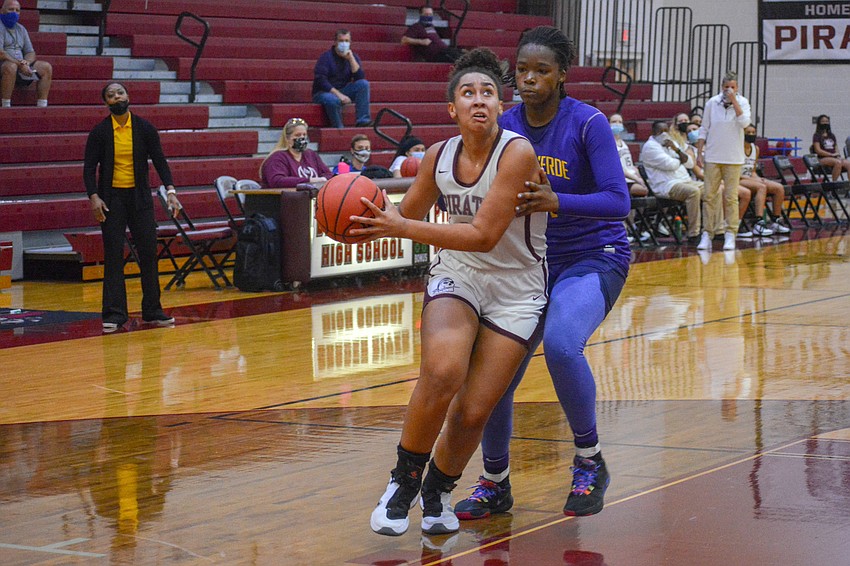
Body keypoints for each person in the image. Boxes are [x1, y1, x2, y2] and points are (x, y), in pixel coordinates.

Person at [357, 48, 547, 537]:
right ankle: (402, 484)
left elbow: (483, 234)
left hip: (517, 287)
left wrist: (400, 226)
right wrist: (368, 220)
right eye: (468, 93)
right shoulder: (438, 156)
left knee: (473, 411)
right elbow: (408, 213)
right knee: (442, 371)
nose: (479, 101)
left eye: (488, 93)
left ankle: (438, 490)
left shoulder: (518, 152)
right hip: (458, 274)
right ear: (452, 108)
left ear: (501, 106)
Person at [451, 26, 631, 522]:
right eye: (522, 71)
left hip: (594, 255)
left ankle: (590, 461)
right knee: (494, 374)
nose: (529, 80)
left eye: (541, 71)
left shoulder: (588, 123)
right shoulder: (503, 126)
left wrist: (558, 200)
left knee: (561, 343)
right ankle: (494, 483)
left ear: (562, 76)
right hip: (530, 264)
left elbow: (620, 201)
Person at [83, 82, 180, 332]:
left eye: (120, 93)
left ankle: (152, 309)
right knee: (114, 256)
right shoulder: (100, 132)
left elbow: (159, 160)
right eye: (111, 96)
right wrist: (94, 196)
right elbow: (88, 168)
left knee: (148, 253)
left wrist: (170, 190)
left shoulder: (145, 128)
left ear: (128, 96)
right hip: (111, 200)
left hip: (140, 199)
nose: (117, 98)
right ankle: (114, 314)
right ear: (106, 103)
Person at [695, 70, 751, 251]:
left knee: (731, 197)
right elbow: (704, 128)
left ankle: (730, 234)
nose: (729, 90)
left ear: (737, 87)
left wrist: (734, 101)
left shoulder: (743, 102)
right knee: (709, 196)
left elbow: (745, 123)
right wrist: (699, 152)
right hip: (713, 156)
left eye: (732, 87)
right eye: (726, 87)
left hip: (734, 158)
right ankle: (707, 234)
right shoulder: (712, 102)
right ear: (721, 87)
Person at [640, 120, 707, 246]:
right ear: (654, 132)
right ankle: (694, 233)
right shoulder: (650, 147)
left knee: (714, 189)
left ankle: (714, 229)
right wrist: (680, 158)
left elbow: (690, 163)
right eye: (661, 132)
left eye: (666, 131)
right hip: (667, 186)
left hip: (685, 180)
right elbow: (670, 165)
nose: (664, 134)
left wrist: (676, 150)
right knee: (693, 192)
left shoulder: (672, 143)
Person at [312, 29, 372, 129]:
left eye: (347, 41)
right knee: (332, 100)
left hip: (343, 89)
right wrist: (338, 94)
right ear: (335, 42)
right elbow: (320, 80)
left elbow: (359, 78)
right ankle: (339, 128)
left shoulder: (353, 57)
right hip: (323, 92)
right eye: (341, 41)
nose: (344, 43)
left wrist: (351, 59)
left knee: (363, 84)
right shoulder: (326, 57)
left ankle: (363, 120)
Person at [739, 123, 790, 234]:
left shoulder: (755, 149)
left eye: (753, 132)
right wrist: (755, 181)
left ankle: (776, 220)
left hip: (749, 178)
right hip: (738, 179)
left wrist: (758, 178)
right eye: (748, 133)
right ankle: (759, 223)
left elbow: (752, 171)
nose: (751, 134)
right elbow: (733, 173)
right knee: (761, 187)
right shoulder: (736, 148)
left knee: (778, 188)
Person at [1, 0, 52, 108]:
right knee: (11, 67)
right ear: (2, 10)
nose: (14, 13)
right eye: (10, 9)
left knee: (46, 67)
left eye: (17, 10)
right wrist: (20, 64)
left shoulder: (21, 29)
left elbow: (30, 52)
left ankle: (42, 106)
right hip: (4, 65)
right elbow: (1, 53)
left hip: (20, 65)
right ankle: (5, 106)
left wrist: (27, 63)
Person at [259, 118, 332, 188]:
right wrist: (309, 181)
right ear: (287, 138)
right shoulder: (277, 158)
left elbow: (328, 174)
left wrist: (323, 179)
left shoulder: (311, 154)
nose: (302, 138)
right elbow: (277, 181)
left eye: (304, 135)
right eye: (298, 135)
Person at [811, 114, 850, 181]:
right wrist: (830, 155)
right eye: (823, 121)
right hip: (822, 158)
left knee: (848, 163)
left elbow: (836, 147)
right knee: (838, 163)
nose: (825, 123)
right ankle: (834, 184)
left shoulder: (831, 135)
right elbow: (818, 150)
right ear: (819, 123)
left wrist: (837, 154)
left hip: (834, 157)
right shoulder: (816, 136)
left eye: (826, 121)